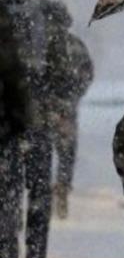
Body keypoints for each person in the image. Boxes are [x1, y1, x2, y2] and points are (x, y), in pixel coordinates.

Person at [0, 0, 75, 258]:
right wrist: (58, 105)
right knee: (38, 193)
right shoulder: (50, 18)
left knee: (7, 195)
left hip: (7, 120)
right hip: (38, 118)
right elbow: (64, 71)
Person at [0, 0, 31, 258]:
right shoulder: (9, 49)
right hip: (5, 137)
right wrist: (20, 130)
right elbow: (19, 95)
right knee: (7, 206)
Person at [49, 28, 94, 219]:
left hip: (42, 109)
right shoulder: (76, 44)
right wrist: (73, 96)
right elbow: (87, 73)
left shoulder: (39, 43)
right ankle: (62, 187)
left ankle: (38, 193)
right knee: (66, 152)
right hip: (66, 109)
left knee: (39, 152)